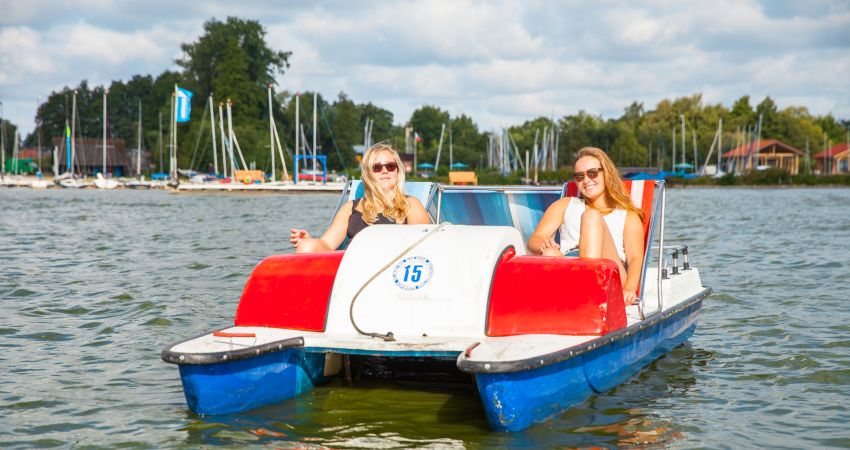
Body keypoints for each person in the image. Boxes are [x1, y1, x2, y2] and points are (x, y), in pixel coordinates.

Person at [528, 147, 645, 305]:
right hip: (571, 268)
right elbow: (534, 240)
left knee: (591, 216)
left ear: (606, 173)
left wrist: (630, 289)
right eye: (579, 176)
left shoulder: (627, 215)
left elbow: (635, 258)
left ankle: (588, 296)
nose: (586, 180)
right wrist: (544, 245)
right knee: (549, 253)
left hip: (610, 275)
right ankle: (570, 302)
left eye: (592, 173)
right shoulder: (565, 205)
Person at [290, 143, 431, 252]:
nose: (384, 171)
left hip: (390, 273)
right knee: (306, 246)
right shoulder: (350, 208)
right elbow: (327, 244)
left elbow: (424, 246)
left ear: (397, 171)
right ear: (368, 174)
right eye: (377, 167)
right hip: (352, 271)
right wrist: (310, 243)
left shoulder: (410, 205)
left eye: (390, 166)